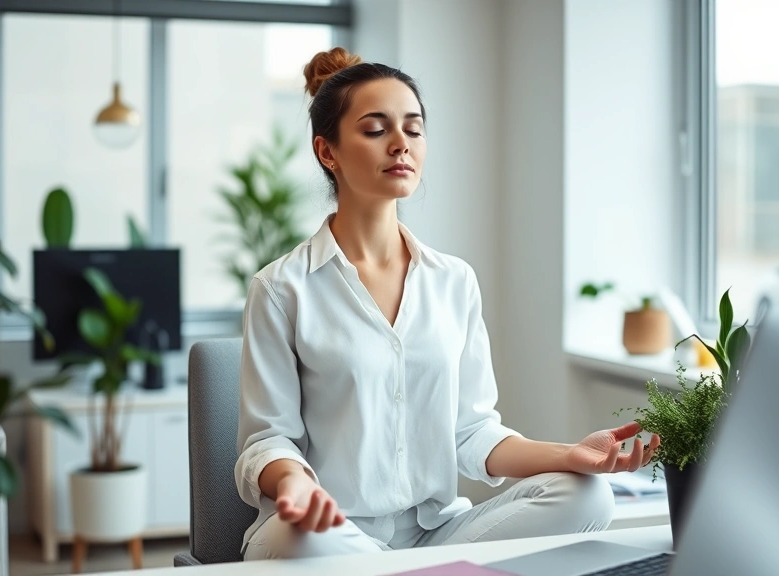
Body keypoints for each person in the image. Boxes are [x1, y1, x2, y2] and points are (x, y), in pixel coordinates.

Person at [235, 47, 661, 561]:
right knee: (297, 534)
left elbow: (474, 434)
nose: (401, 145)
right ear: (328, 152)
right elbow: (266, 441)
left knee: (586, 493)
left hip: (435, 535)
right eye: (376, 130)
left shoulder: (453, 281)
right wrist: (293, 484)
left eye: (413, 129)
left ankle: (420, 571)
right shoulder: (282, 289)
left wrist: (569, 455)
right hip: (327, 532)